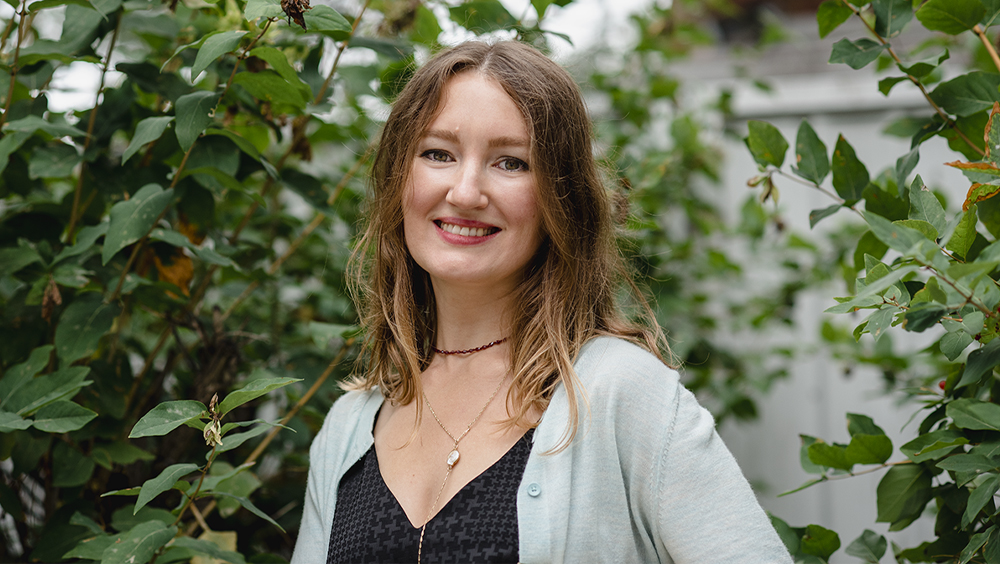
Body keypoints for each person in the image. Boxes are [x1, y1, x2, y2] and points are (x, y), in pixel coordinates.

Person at [291, 40, 792, 564]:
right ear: (398, 178)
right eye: (438, 153)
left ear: (561, 198)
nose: (465, 191)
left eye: (511, 162)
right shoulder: (348, 427)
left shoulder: (619, 393)